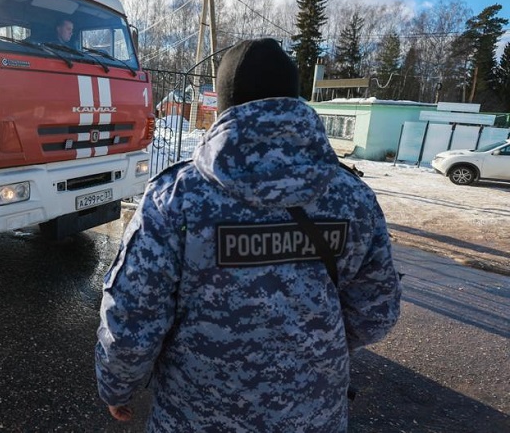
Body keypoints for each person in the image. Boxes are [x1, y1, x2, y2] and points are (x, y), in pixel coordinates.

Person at [95, 38, 401, 431]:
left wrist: (117, 389)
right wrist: (306, 349)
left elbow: (133, 317)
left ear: (224, 103)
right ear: (294, 98)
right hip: (313, 416)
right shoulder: (351, 197)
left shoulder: (177, 197)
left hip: (196, 418)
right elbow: (376, 312)